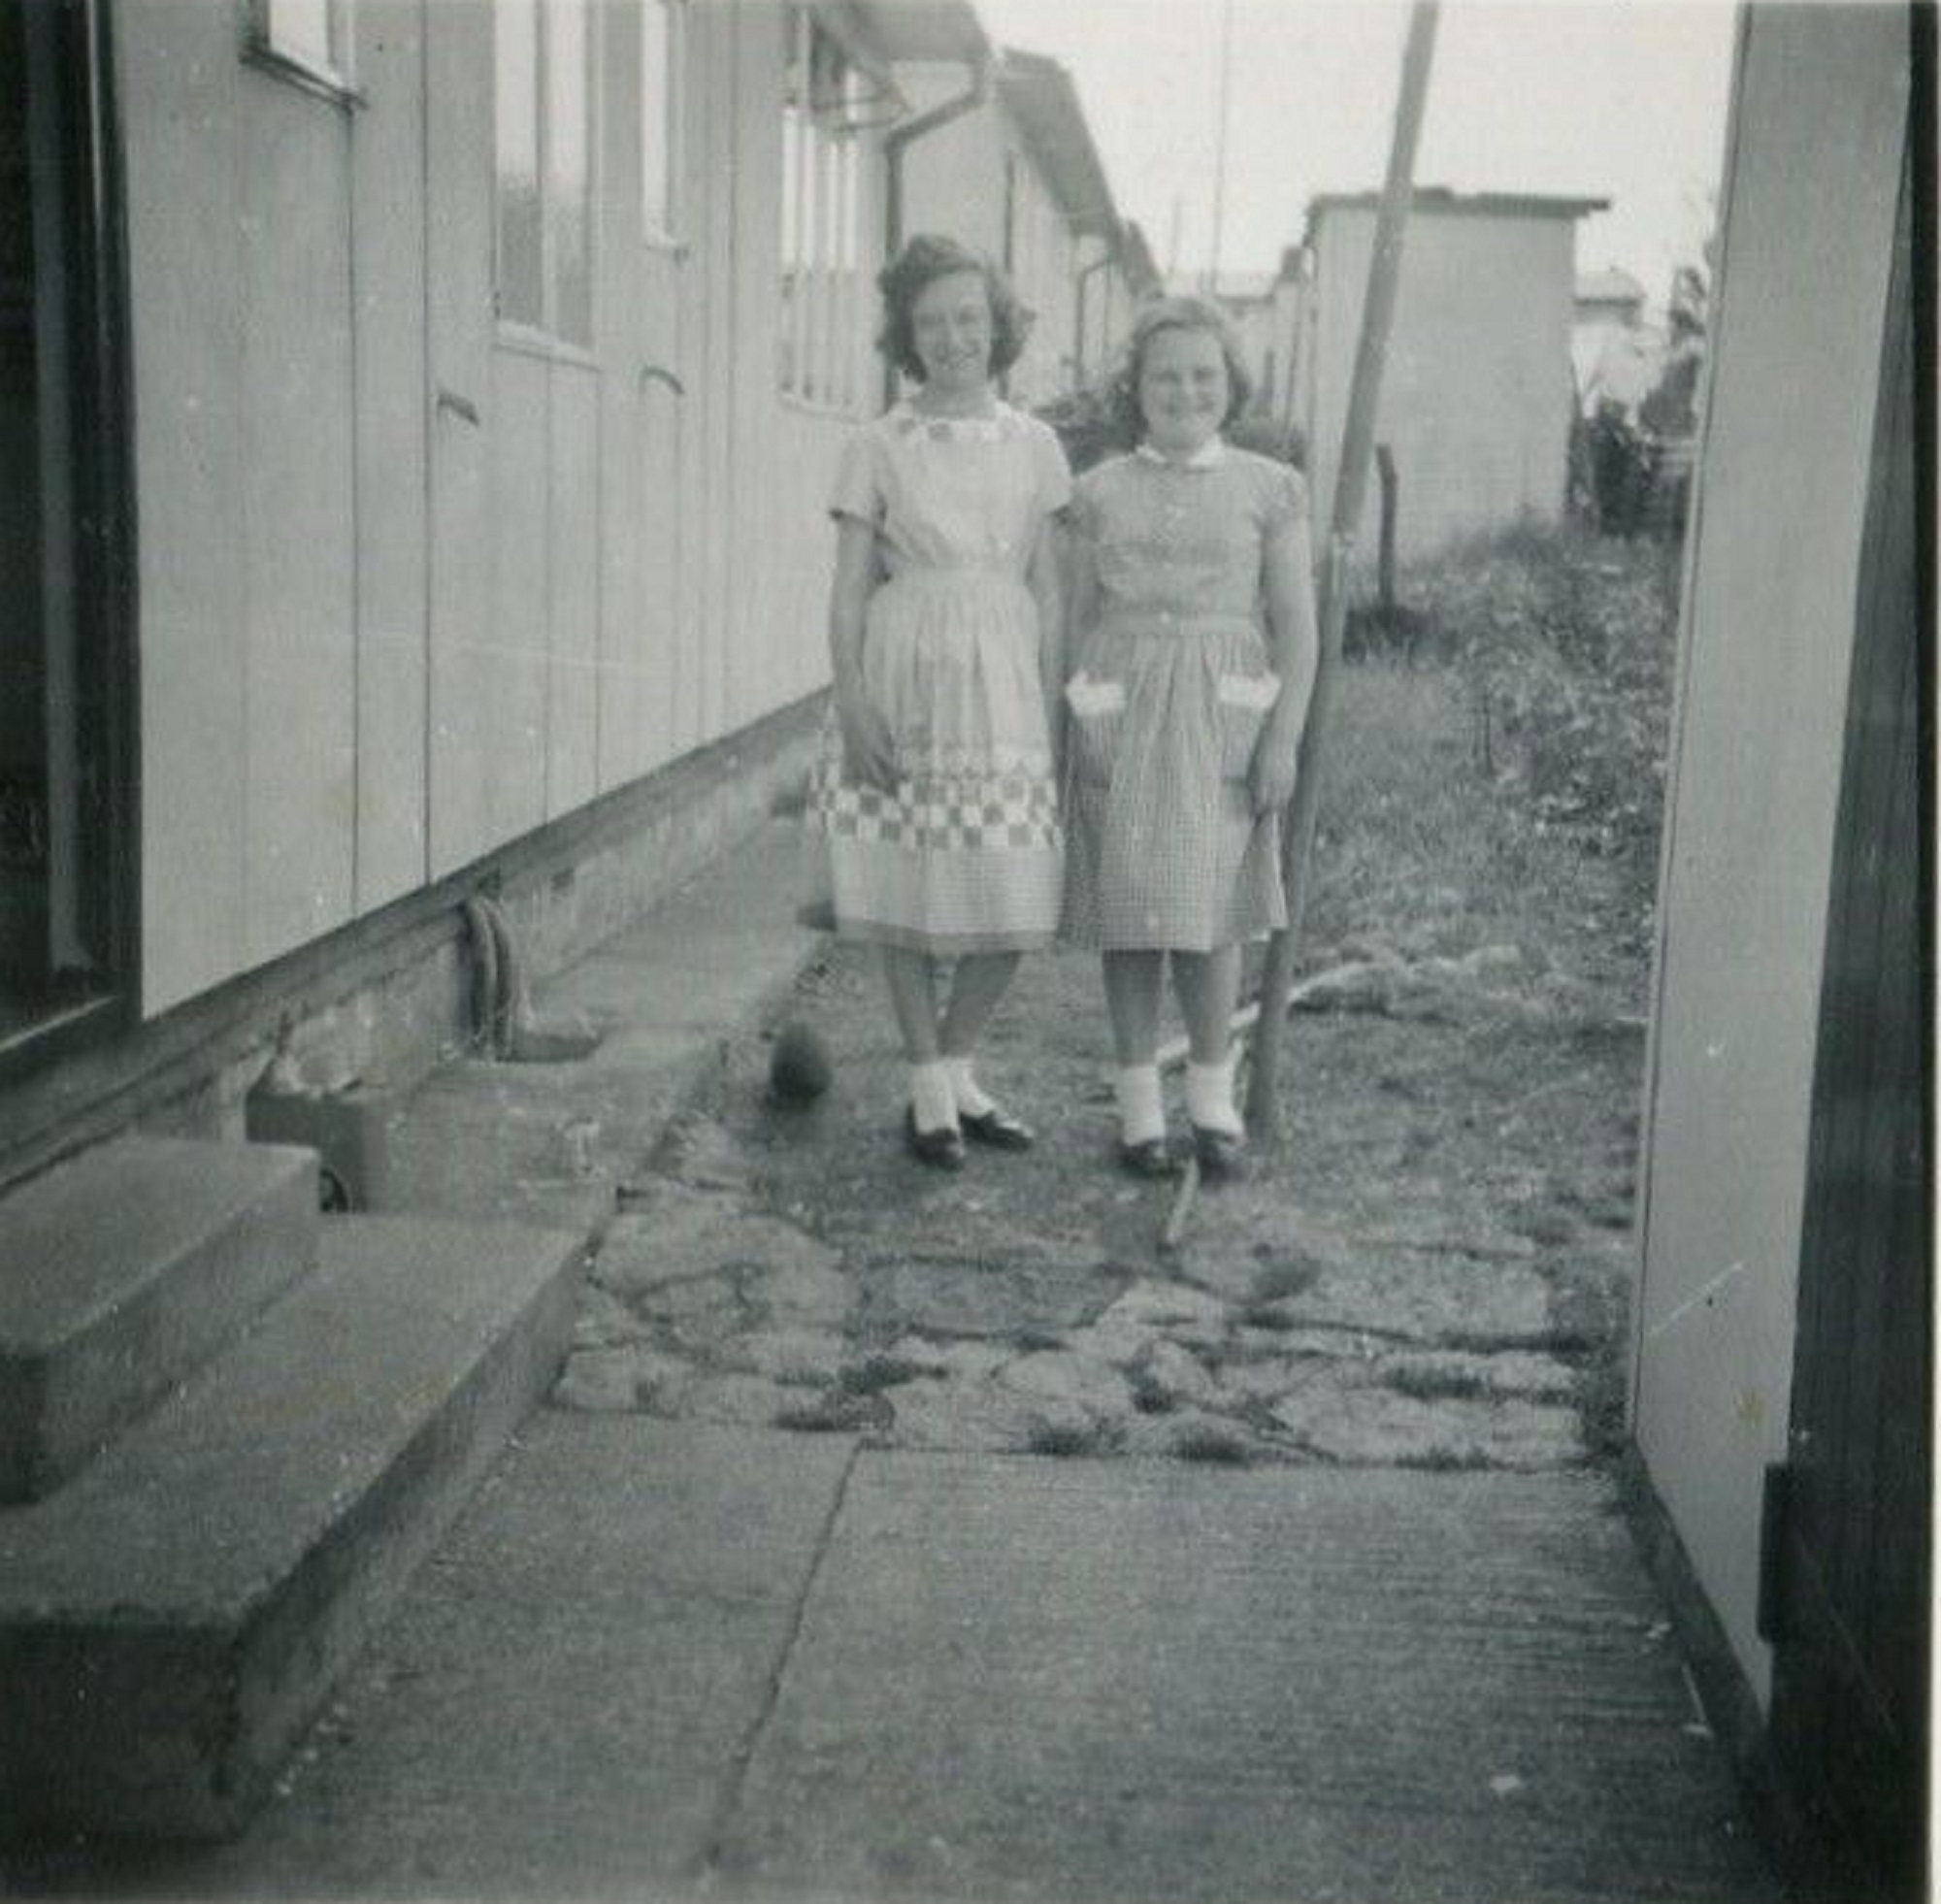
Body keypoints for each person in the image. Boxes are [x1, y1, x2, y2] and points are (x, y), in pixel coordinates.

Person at [802, 235, 1071, 1170]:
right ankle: (926, 1086)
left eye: (969, 317)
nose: (953, 337)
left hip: (1002, 678)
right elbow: (844, 592)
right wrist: (854, 704)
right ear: (906, 335)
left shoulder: (1036, 446)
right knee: (906, 885)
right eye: (931, 321)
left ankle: (959, 1066)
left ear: (998, 326)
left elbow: (1050, 587)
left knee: (1012, 883)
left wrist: (1054, 700)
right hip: (902, 670)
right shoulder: (877, 444)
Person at [1061, 297, 1319, 1181]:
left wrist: (1282, 735)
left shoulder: (1269, 489)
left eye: (1204, 374)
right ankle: (1139, 1110)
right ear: (1135, 388)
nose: (1185, 391)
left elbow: (1297, 626)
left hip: (1223, 716)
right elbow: (1073, 618)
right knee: (1129, 918)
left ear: (1231, 385)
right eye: (1165, 375)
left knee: (1213, 917)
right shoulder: (1094, 493)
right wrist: (1073, 712)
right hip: (1121, 707)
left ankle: (1211, 1101)